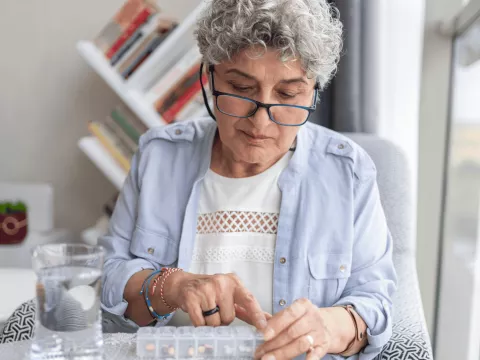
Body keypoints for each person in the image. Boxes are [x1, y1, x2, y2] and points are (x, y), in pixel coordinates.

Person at [99, 0, 397, 359]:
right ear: (210, 78)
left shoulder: (347, 171)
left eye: (287, 95)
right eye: (241, 89)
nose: (261, 122)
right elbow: (109, 276)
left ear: (314, 89)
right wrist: (172, 286)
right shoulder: (158, 157)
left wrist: (327, 327)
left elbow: (375, 301)